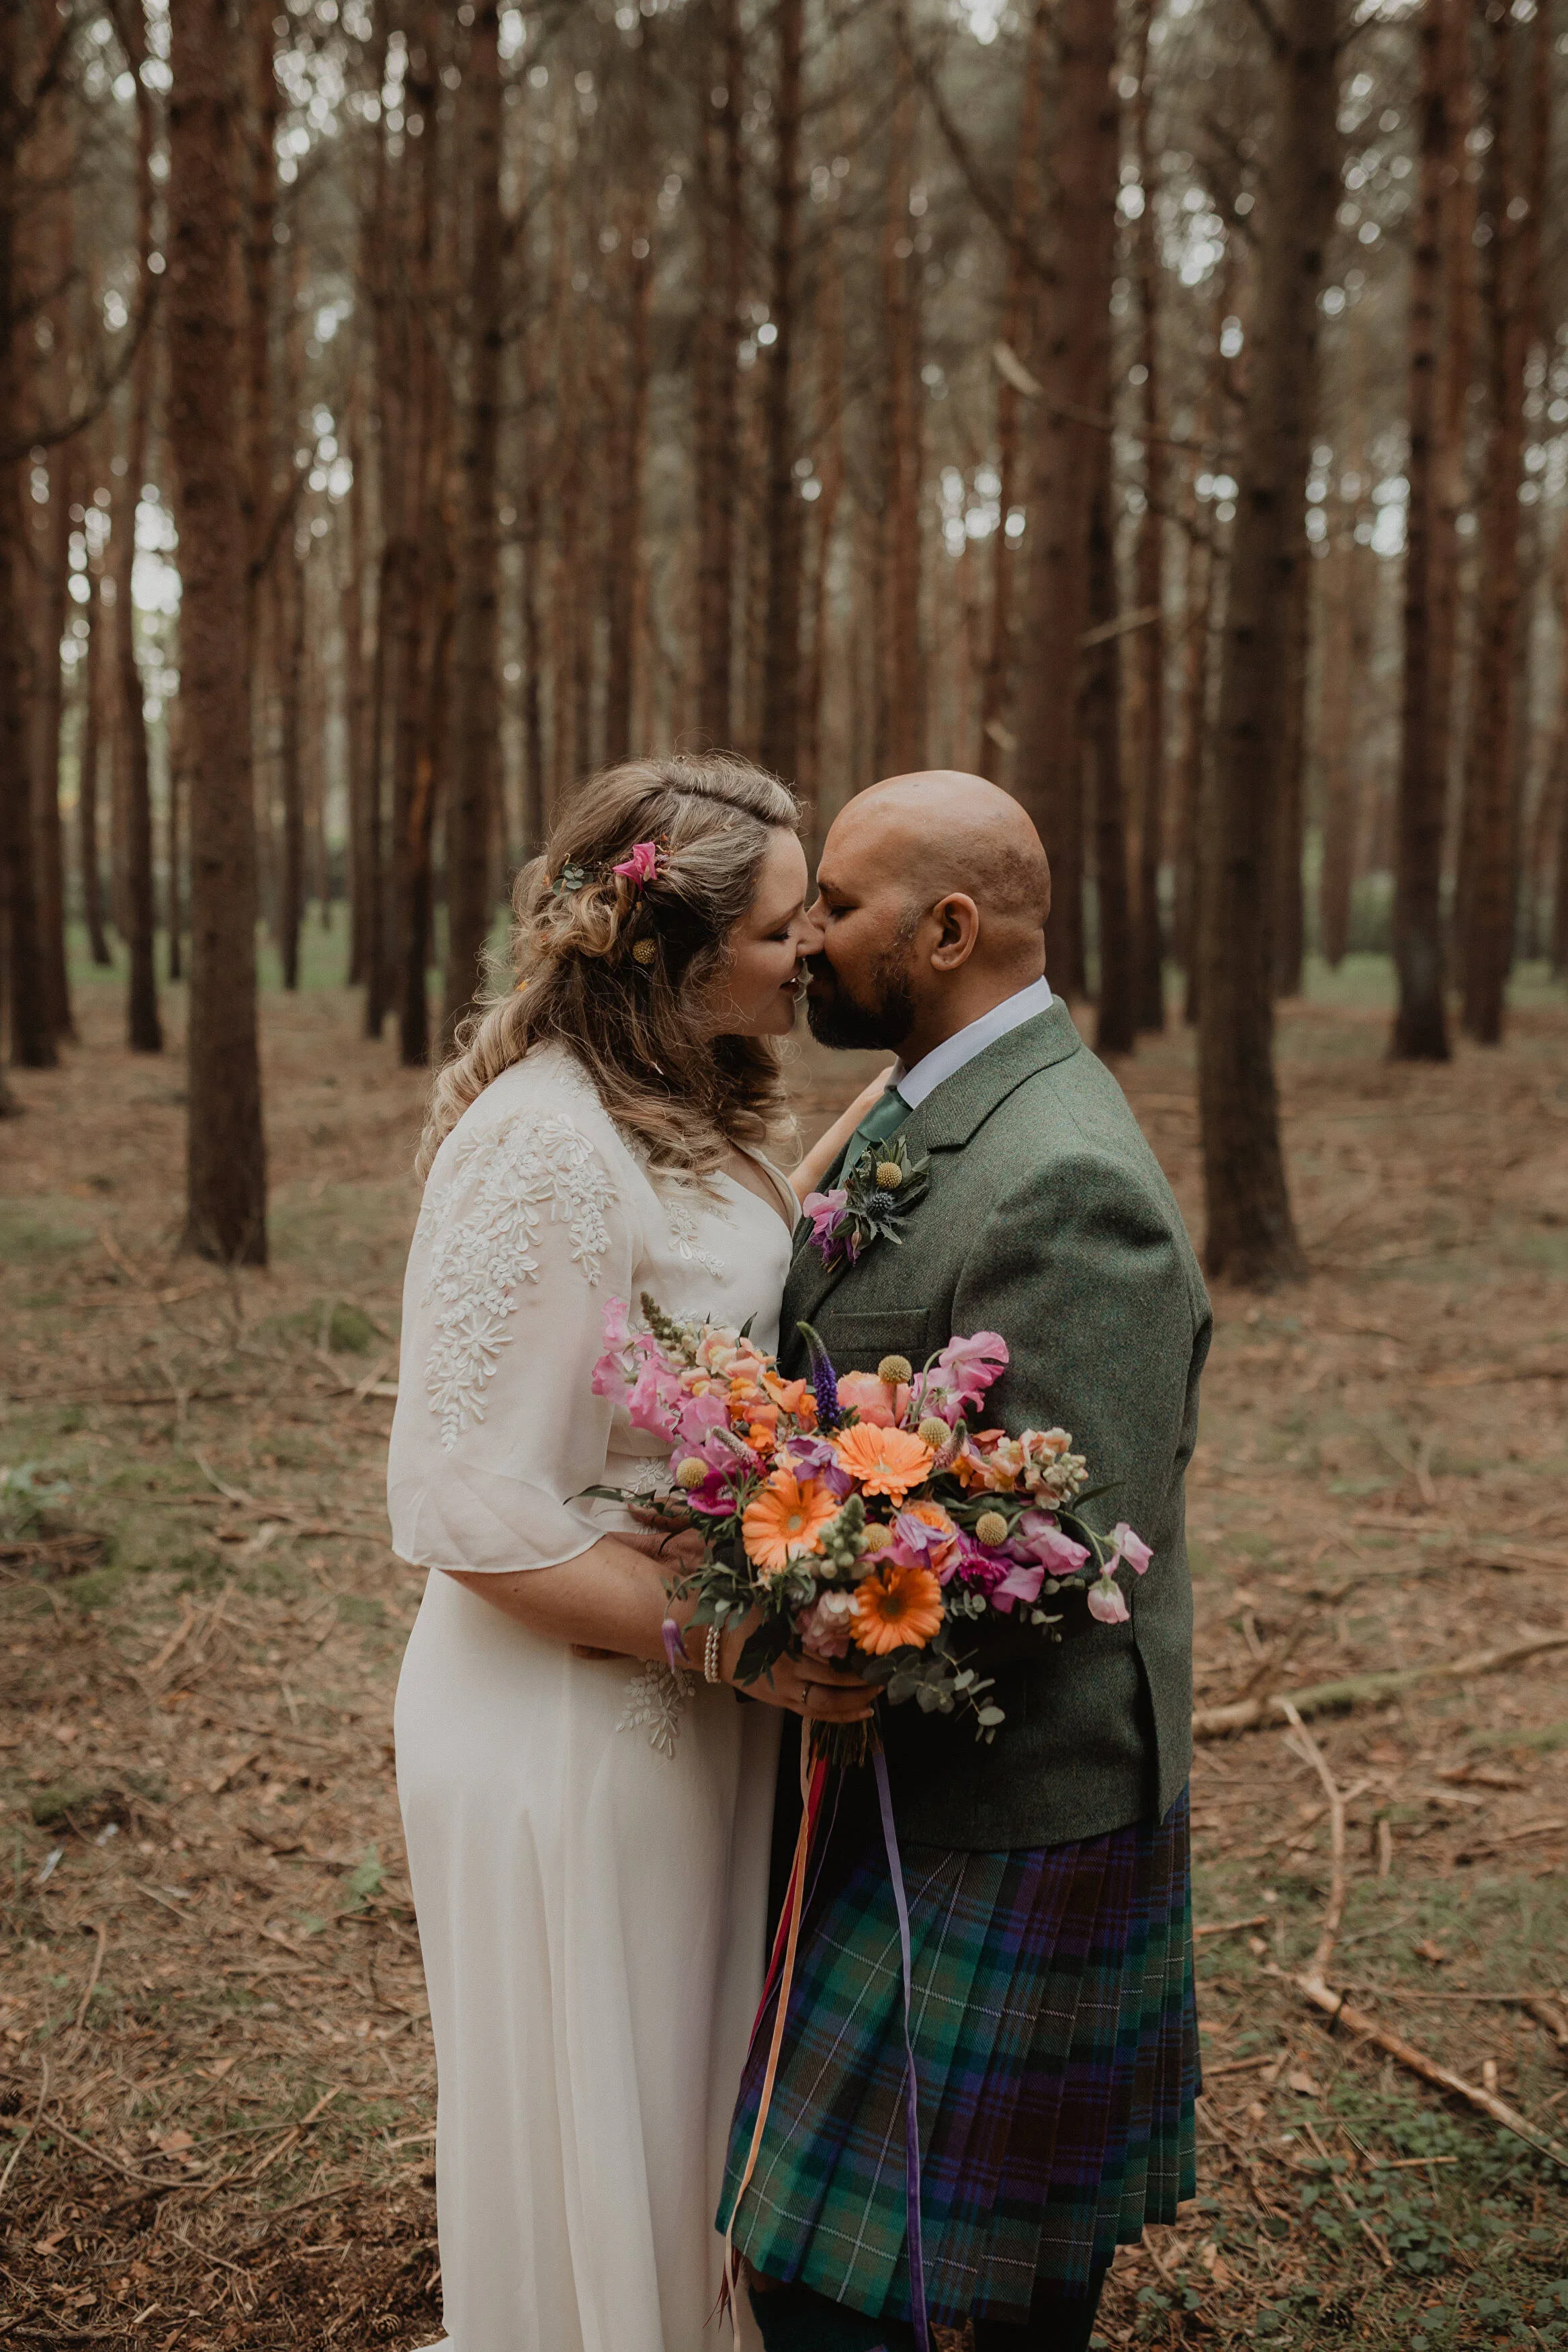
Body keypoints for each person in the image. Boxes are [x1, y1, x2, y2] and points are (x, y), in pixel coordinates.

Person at [388, 753, 880, 2352]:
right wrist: (735, 1642)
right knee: (601, 2099)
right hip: (568, 1713)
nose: (811, 951)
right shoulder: (541, 1144)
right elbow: (464, 1506)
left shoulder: (656, 1116)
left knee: (675, 2103)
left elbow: (666, 1320)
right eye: (786, 926)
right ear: (667, 946)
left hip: (673, 1693)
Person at [719, 771, 1212, 2352]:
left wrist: (825, 1614)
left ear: (948, 929)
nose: (803, 945)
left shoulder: (1066, 1180)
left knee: (909, 2293)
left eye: (840, 910)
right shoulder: (935, 1107)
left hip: (1011, 1811)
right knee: (867, 2274)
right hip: (900, 1790)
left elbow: (1068, 1556)